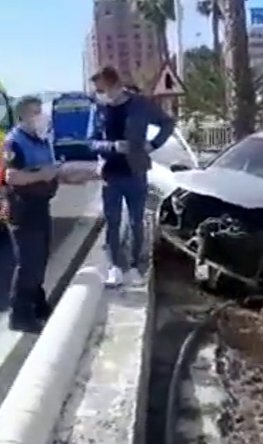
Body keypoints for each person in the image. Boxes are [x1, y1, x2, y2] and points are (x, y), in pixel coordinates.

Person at [87, 66, 175, 287]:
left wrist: (153, 144)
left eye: (101, 89)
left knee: (137, 222)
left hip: (136, 172)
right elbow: (90, 141)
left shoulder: (140, 104)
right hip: (111, 173)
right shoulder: (98, 108)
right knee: (113, 221)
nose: (99, 94)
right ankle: (115, 266)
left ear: (115, 85)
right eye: (97, 90)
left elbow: (167, 122)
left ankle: (135, 267)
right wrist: (112, 146)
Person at [3, 95, 60, 331]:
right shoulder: (14, 142)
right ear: (24, 115)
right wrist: (42, 176)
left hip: (40, 206)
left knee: (41, 258)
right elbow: (12, 176)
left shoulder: (40, 139)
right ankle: (20, 316)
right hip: (23, 207)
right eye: (36, 112)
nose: (41, 116)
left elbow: (48, 167)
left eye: (41, 111)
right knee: (28, 263)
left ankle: (38, 304)